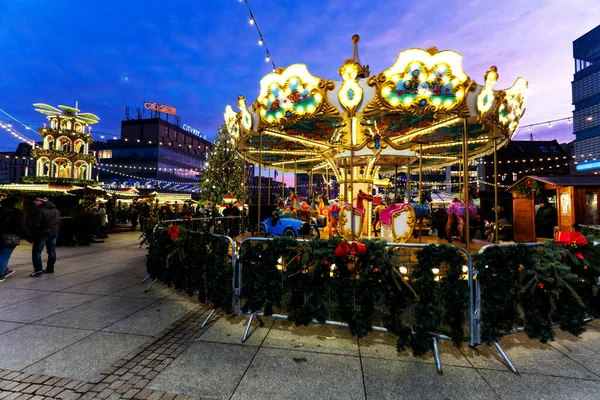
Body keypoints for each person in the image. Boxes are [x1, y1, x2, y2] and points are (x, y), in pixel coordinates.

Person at [0, 197, 29, 282]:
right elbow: (22, 227)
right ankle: (1, 274)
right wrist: (28, 237)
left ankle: (3, 270)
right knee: (4, 256)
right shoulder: (18, 212)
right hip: (11, 237)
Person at [30, 197, 61, 277]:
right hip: (54, 232)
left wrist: (32, 235)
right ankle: (50, 268)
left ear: (42, 202)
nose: (34, 202)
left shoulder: (40, 211)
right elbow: (59, 222)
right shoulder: (56, 210)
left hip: (43, 233)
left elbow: (35, 225)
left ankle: (38, 269)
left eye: (37, 200)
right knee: (51, 251)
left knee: (37, 251)